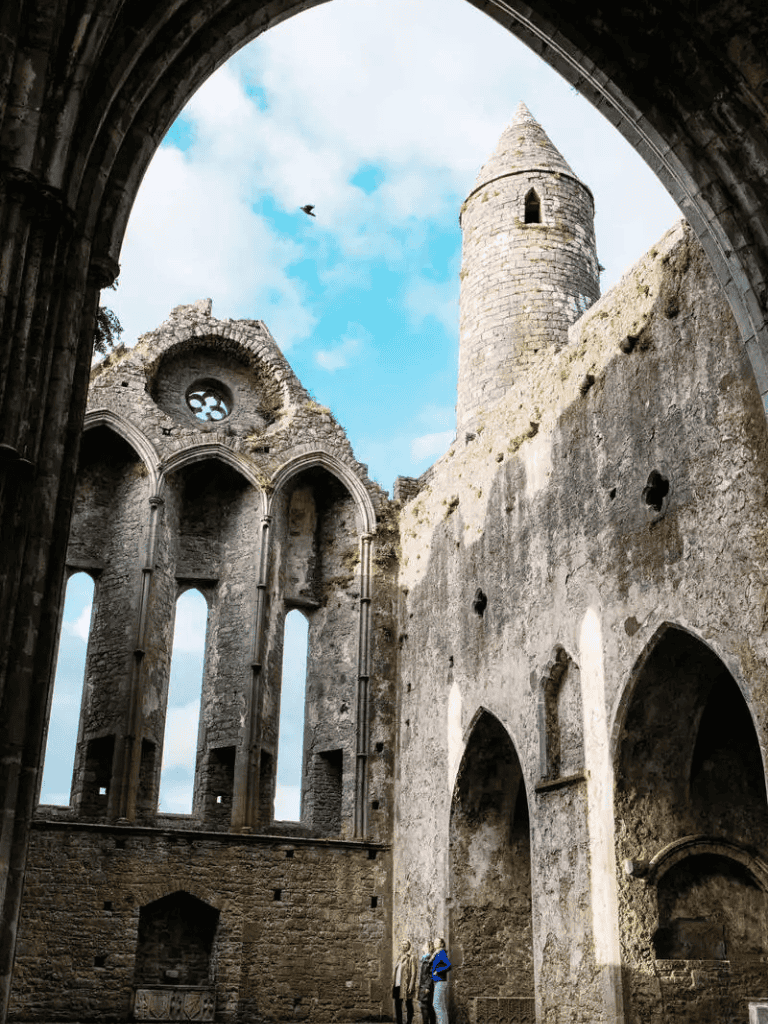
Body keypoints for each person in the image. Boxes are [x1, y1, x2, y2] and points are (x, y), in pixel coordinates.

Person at [392, 939, 417, 1024]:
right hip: (397, 984)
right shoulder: (399, 957)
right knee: (397, 1005)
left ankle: (409, 1022)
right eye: (402, 944)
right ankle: (399, 1022)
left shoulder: (411, 957)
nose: (404, 946)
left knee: (408, 1004)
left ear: (409, 946)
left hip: (406, 984)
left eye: (406, 944)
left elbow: (413, 973)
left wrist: (411, 985)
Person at [430, 938, 451, 1024]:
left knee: (436, 1004)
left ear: (442, 944)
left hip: (440, 981)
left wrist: (438, 971)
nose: (435, 943)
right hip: (438, 981)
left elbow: (448, 966)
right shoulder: (436, 954)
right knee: (441, 1005)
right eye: (434, 941)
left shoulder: (441, 953)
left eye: (437, 942)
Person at [417, 940, 435, 1024]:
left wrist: (427, 986)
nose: (423, 946)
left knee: (425, 1006)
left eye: (425, 945)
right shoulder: (425, 959)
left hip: (426, 986)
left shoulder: (429, 959)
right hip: (424, 985)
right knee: (428, 1006)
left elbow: (431, 974)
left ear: (428, 948)